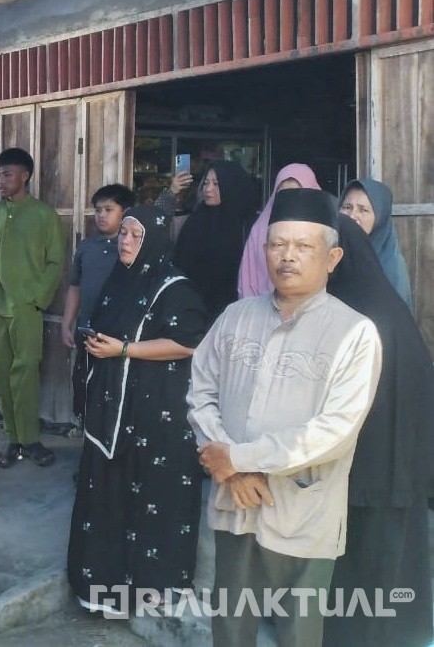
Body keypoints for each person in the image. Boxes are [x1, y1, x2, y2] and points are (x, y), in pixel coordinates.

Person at [188, 188, 383, 647]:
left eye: (303, 247)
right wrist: (229, 467)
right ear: (264, 250)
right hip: (236, 501)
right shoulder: (235, 317)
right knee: (231, 622)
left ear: (332, 257)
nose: (287, 257)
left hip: (304, 509)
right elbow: (201, 392)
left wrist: (236, 457)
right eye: (278, 245)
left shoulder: (354, 333)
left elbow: (335, 430)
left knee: (299, 630)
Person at [67, 205, 207, 613]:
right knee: (108, 495)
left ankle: (154, 586)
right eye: (123, 233)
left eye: (134, 235)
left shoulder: (175, 288)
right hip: (113, 409)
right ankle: (103, 590)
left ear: (156, 241)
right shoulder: (121, 278)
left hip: (154, 411)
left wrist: (124, 349)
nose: (124, 241)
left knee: (153, 495)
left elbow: (189, 341)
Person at [322, 215, 434, 647]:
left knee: (363, 556)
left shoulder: (357, 313)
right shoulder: (386, 306)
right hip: (396, 462)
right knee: (392, 556)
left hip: (366, 464)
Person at [0, 148, 64, 468]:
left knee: (25, 374)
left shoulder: (44, 215)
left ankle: (31, 439)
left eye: (7, 173)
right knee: (2, 374)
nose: (1, 180)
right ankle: (13, 439)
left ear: (25, 175)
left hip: (26, 307)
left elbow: (55, 262)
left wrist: (39, 298)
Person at [173, 160, 258, 320]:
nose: (208, 189)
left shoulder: (247, 224)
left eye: (216, 184)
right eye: (206, 183)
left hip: (233, 311)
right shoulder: (196, 220)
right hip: (191, 310)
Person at [61, 184, 136, 348]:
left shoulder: (133, 249)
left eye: (108, 210)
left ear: (125, 213)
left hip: (120, 335)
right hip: (87, 329)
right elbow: (75, 287)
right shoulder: (86, 247)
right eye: (98, 210)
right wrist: (66, 324)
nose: (101, 215)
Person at [238, 163, 322, 298]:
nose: (289, 199)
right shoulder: (260, 229)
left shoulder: (323, 230)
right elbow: (247, 280)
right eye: (282, 193)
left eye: (296, 192)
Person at [338, 178, 413, 311]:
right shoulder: (333, 257)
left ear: (380, 217)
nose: (352, 216)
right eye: (347, 207)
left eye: (363, 210)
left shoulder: (391, 267)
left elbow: (398, 324)